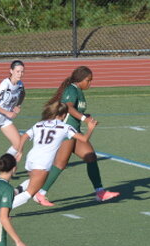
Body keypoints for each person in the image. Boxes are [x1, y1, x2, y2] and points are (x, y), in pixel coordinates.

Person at [30, 66, 119, 206]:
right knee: (60, 164)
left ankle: (100, 192)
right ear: (80, 79)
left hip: (74, 131)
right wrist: (85, 119)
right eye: (88, 80)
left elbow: (75, 111)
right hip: (65, 132)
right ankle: (40, 193)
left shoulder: (78, 91)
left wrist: (84, 116)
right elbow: (68, 107)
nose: (90, 83)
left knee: (90, 157)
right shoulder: (71, 90)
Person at [12, 102, 98, 209]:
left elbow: (24, 136)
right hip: (42, 162)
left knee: (36, 180)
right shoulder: (65, 127)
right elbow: (84, 139)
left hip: (31, 158)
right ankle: (2, 210)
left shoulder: (39, 124)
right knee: (30, 193)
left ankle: (16, 191)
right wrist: (90, 128)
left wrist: (20, 151)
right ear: (64, 115)